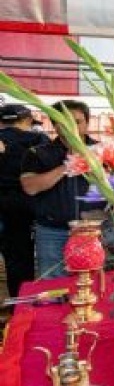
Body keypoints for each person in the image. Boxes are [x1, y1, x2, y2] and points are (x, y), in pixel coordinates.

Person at [20, 101, 93, 279]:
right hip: (53, 232)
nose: (72, 127)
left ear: (87, 123)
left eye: (78, 121)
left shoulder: (103, 151)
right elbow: (30, 187)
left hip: (94, 232)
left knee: (96, 285)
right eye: (65, 122)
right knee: (53, 286)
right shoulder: (37, 153)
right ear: (54, 124)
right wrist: (67, 166)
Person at [0, 104, 49, 294]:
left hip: (5, 209)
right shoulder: (38, 139)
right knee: (41, 263)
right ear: (27, 121)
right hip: (33, 205)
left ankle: (17, 310)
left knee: (15, 262)